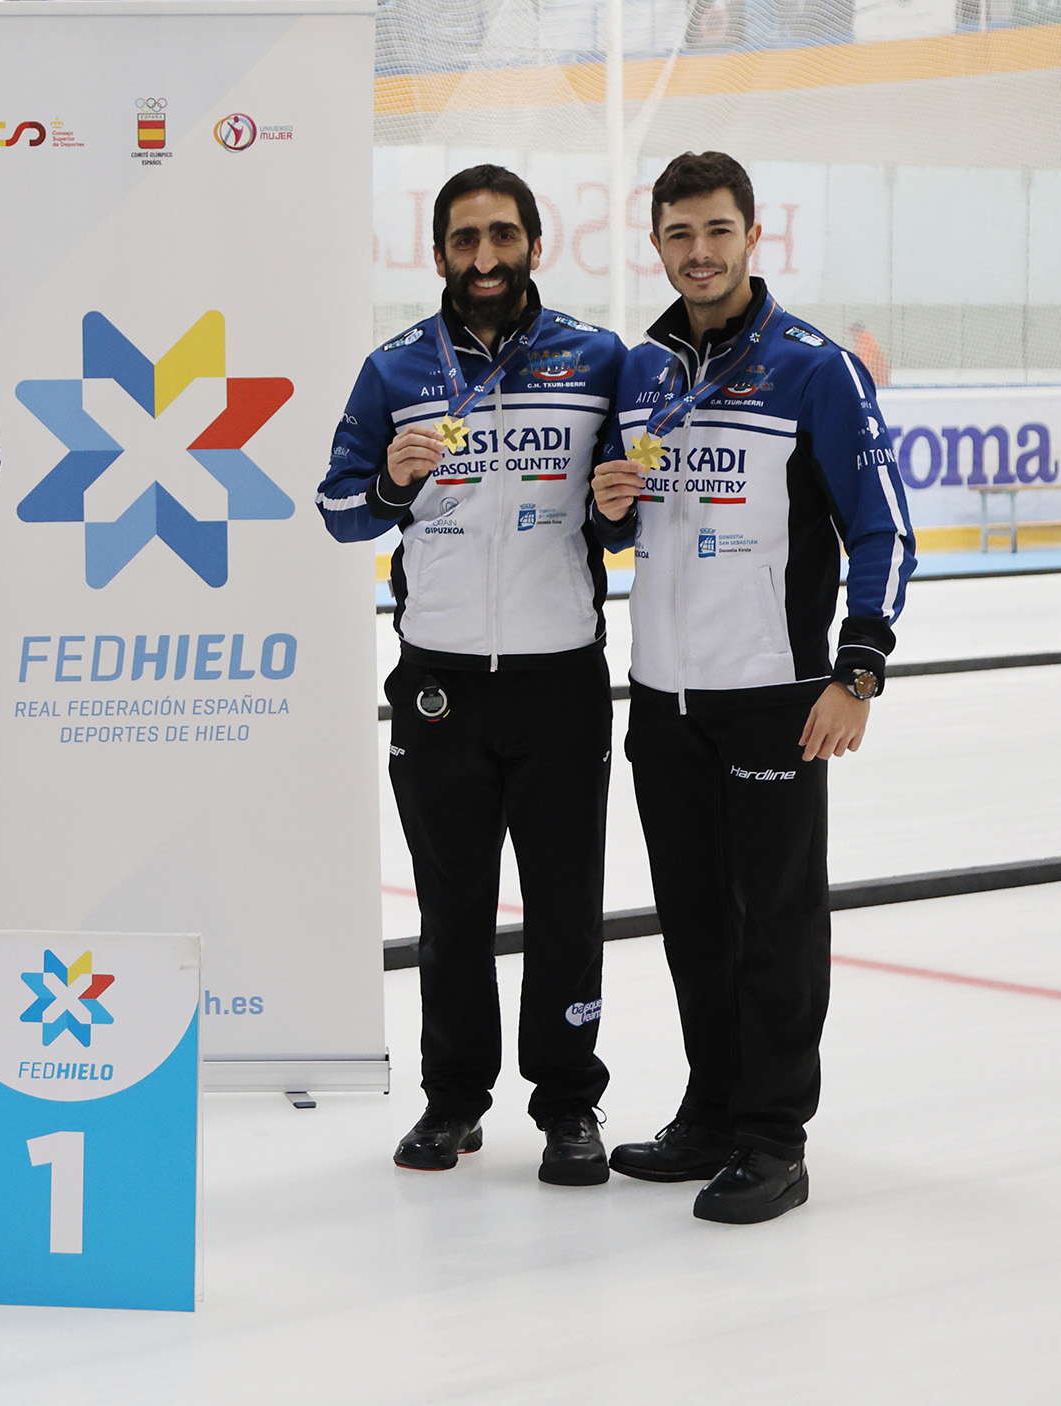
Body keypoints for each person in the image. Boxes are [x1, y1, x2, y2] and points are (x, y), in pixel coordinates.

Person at [588, 151, 915, 1224]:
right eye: (679, 234)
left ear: (751, 236)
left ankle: (774, 1136)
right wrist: (608, 506)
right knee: (691, 919)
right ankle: (712, 1110)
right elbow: (621, 525)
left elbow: (882, 529)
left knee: (772, 923)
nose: (698, 252)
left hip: (773, 691)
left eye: (716, 231)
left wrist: (856, 670)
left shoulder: (814, 367)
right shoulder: (639, 370)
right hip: (662, 696)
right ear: (657, 244)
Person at [316, 165, 630, 1186]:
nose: (483, 258)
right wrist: (388, 480)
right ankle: (453, 1099)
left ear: (536, 244)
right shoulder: (394, 368)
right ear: (439, 251)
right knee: (450, 908)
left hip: (559, 679)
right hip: (440, 679)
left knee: (565, 903)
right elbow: (336, 510)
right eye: (464, 240)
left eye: (502, 236)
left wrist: (623, 503)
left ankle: (569, 1102)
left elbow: (623, 516)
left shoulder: (596, 359)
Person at [847, 321, 889, 387]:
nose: (851, 335)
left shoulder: (865, 341)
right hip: (874, 380)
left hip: (875, 381)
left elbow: (865, 362)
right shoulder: (863, 340)